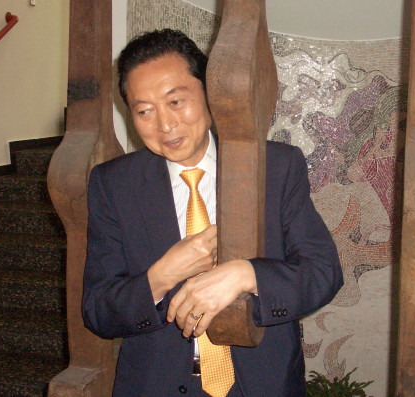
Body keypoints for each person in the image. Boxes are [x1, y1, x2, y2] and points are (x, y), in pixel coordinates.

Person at [82, 29, 343, 397]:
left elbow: (324, 273)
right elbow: (97, 311)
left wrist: (247, 274)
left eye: (176, 101)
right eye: (144, 111)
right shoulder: (113, 184)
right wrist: (161, 275)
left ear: (208, 93)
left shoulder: (275, 167)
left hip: (260, 385)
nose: (165, 125)